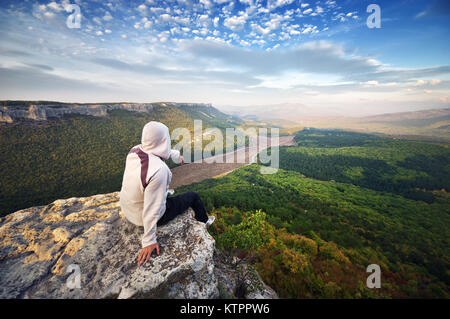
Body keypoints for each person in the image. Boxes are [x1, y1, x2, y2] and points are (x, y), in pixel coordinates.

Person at [119, 121, 215, 265]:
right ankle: (204, 222)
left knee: (158, 191)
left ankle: (162, 194)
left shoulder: (135, 150)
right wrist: (149, 240)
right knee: (193, 196)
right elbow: (153, 210)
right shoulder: (159, 170)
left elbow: (160, 150)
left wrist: (176, 156)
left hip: (128, 210)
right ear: (164, 141)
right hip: (143, 216)